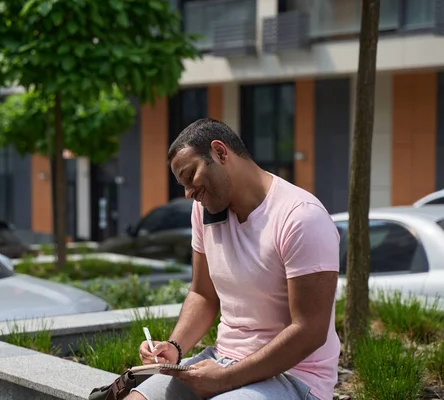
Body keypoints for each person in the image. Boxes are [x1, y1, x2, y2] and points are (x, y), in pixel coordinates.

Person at [125, 118, 340, 400]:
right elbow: (203, 294)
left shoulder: (301, 217)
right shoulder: (205, 211)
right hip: (222, 360)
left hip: (294, 377)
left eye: (190, 176)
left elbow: (309, 331)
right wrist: (174, 348)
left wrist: (225, 380)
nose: (189, 193)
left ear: (220, 153)